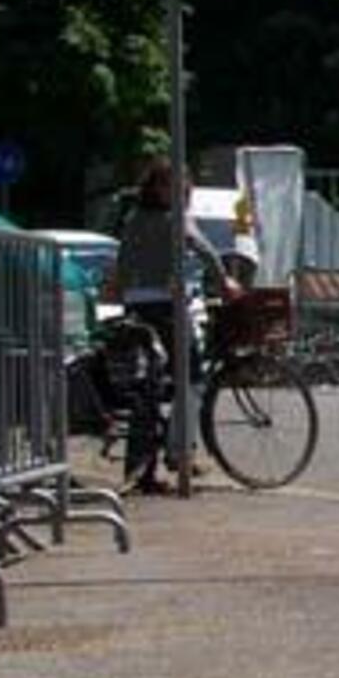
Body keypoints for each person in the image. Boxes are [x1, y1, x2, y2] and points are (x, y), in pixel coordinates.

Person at [103, 159, 240, 490]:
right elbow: (204, 250)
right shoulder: (176, 219)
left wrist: (117, 293)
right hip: (164, 305)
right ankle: (179, 452)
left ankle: (149, 463)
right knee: (191, 375)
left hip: (136, 304)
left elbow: (121, 263)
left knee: (149, 383)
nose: (182, 193)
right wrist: (225, 282)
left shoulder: (134, 219)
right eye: (177, 187)